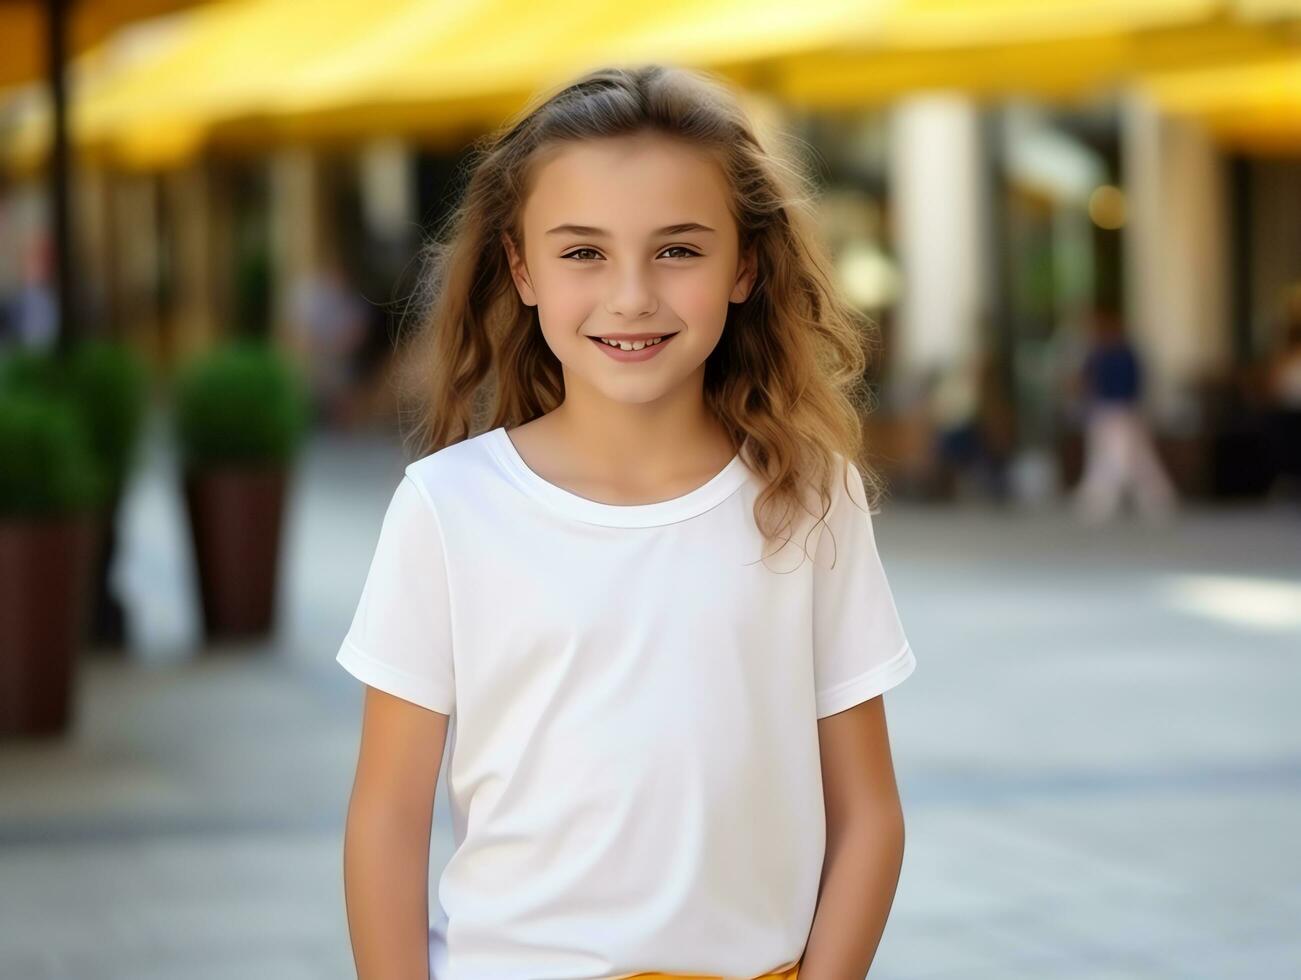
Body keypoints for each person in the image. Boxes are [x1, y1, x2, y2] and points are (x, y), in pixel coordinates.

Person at [336, 64, 918, 980]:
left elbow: (869, 816)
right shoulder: (447, 508)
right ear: (521, 268)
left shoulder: (810, 499)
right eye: (583, 253)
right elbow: (385, 820)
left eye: (678, 250)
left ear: (745, 266)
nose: (632, 294)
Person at [1071, 308, 1178, 524]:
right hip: (1103, 410)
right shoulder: (1098, 353)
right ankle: (1149, 499)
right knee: (1117, 457)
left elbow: (1133, 384)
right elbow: (1086, 381)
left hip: (1122, 410)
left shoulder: (1123, 353)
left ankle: (1105, 500)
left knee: (1123, 458)